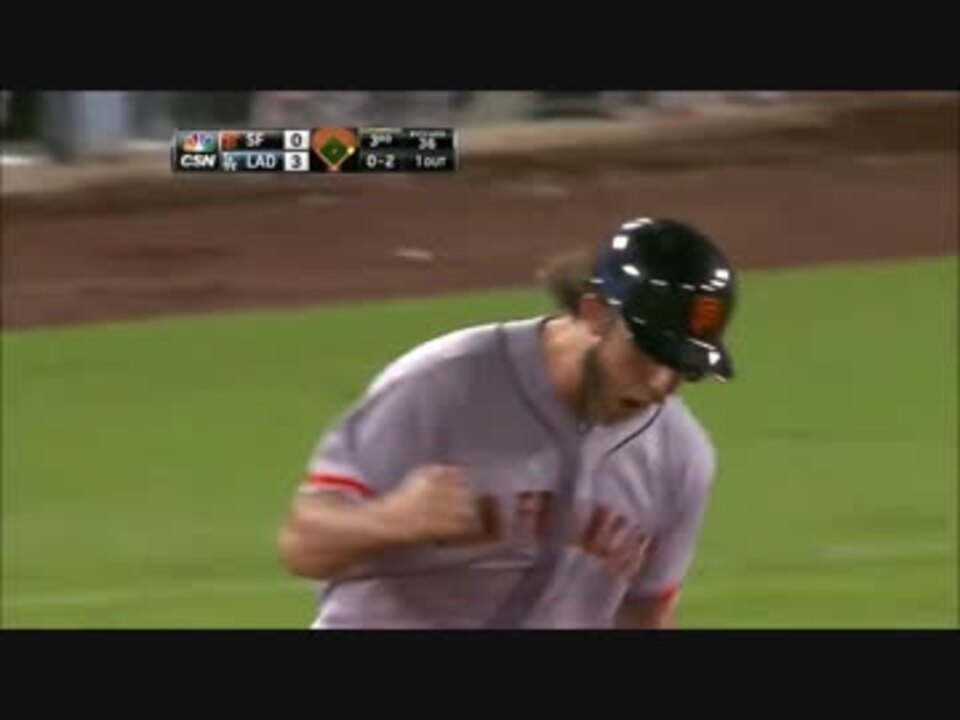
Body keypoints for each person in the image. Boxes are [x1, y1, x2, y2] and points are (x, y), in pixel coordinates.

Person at [277, 217, 738, 629]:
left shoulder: (679, 454)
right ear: (595, 313)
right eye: (648, 352)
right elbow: (303, 543)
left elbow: (646, 611)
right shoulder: (444, 383)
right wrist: (393, 519)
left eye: (684, 367)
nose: (660, 384)